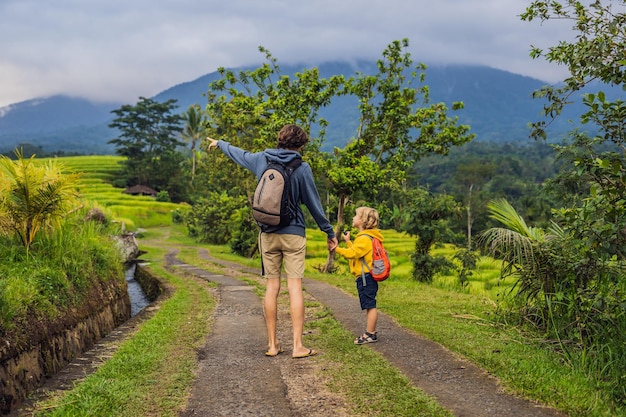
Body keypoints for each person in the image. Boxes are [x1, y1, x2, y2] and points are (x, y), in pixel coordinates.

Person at [206, 124, 338, 358]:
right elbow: (313, 204)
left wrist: (220, 144)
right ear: (301, 145)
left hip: (267, 232)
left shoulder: (261, 159)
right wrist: (329, 232)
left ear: (279, 140)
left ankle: (272, 345)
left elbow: (239, 154)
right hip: (294, 233)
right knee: (295, 287)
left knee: (271, 287)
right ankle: (298, 346)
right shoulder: (302, 167)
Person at [335, 206, 383, 344]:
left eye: (356, 215)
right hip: (365, 277)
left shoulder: (364, 238)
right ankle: (370, 332)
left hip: (366, 278)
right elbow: (357, 253)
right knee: (369, 304)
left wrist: (336, 249)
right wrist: (348, 241)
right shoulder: (365, 238)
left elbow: (352, 254)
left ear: (362, 220)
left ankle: (370, 334)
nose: (353, 218)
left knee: (370, 305)